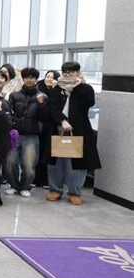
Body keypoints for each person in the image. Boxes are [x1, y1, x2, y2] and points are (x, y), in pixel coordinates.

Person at [44, 61, 101, 205]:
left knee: (76, 164)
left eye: (72, 71)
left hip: (79, 130)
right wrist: (62, 120)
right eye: (66, 72)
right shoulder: (57, 88)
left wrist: (77, 86)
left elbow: (89, 103)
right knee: (55, 163)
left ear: (78, 72)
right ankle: (55, 190)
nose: (69, 74)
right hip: (58, 129)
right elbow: (51, 108)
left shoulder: (86, 88)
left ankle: (75, 192)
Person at [5, 67, 48, 198]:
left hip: (32, 134)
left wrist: (42, 104)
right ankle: (13, 185)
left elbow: (45, 117)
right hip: (15, 134)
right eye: (27, 77)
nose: (30, 80)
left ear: (36, 79)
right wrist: (13, 124)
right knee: (10, 161)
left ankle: (25, 187)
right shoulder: (14, 95)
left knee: (29, 164)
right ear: (23, 79)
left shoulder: (42, 96)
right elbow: (8, 112)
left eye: (32, 77)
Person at [35, 69, 61, 188]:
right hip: (39, 125)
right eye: (47, 76)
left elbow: (57, 107)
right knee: (37, 152)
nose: (49, 79)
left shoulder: (58, 91)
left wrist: (55, 90)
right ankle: (36, 179)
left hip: (52, 126)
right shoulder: (38, 89)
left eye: (52, 77)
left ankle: (47, 180)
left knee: (49, 154)